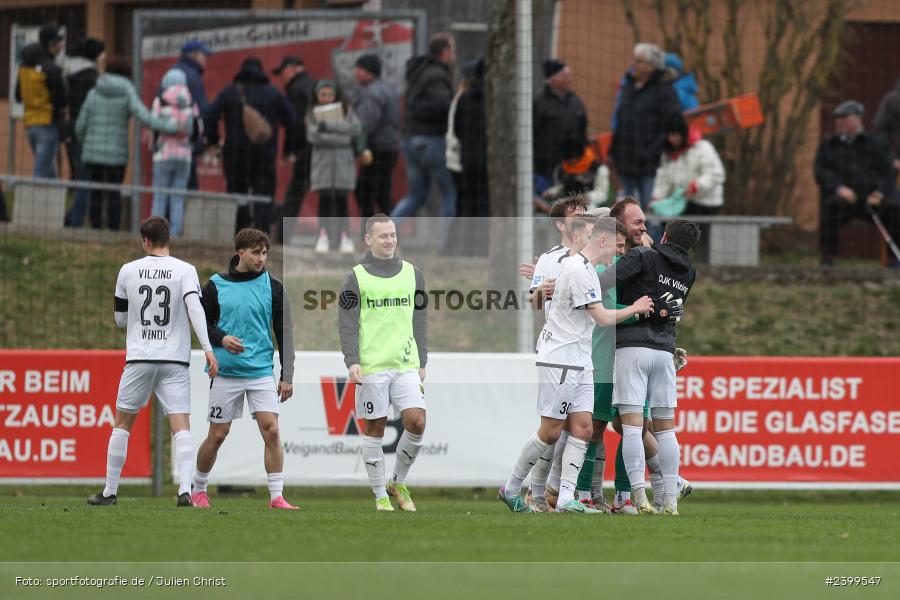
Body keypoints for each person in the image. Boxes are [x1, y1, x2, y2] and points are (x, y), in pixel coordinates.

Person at [499, 216, 654, 514]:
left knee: (583, 429)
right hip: (560, 358)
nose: (620, 253)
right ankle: (512, 487)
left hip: (581, 360)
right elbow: (602, 318)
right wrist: (636, 308)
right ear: (603, 240)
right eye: (617, 246)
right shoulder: (579, 270)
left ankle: (568, 498)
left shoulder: (585, 269)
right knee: (551, 430)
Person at [88, 216, 218, 507]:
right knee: (180, 425)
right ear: (168, 239)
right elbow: (195, 310)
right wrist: (208, 348)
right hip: (174, 361)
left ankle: (109, 492)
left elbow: (120, 320)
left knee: (122, 423)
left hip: (140, 358)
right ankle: (185, 491)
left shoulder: (128, 271)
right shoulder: (186, 270)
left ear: (145, 241)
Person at [597, 219, 699, 515]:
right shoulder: (689, 271)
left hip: (633, 347)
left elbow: (604, 282)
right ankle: (669, 500)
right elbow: (672, 307)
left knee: (632, 427)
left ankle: (637, 497)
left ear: (664, 235)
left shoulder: (644, 256)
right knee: (666, 430)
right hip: (665, 351)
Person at [192, 228, 298, 510]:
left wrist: (287, 375)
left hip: (261, 372)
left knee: (272, 431)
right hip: (226, 373)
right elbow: (203, 325)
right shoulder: (216, 285)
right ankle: (198, 489)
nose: (261, 258)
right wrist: (222, 339)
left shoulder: (274, 287)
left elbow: (284, 331)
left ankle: (276, 497)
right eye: (255, 253)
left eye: (264, 253)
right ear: (240, 253)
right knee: (218, 435)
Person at [338, 215, 428, 511]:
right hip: (372, 366)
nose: (389, 240)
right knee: (375, 428)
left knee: (416, 421)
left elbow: (420, 320)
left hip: (405, 364)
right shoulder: (355, 277)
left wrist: (422, 360)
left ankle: (397, 482)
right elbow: (347, 324)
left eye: (392, 235)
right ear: (368, 240)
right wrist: (352, 361)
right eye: (382, 236)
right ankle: (379, 495)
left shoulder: (414, 274)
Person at [76, 56, 180, 230]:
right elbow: (144, 115)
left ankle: (94, 229)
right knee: (114, 193)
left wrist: (84, 143)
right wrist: (171, 128)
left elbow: (80, 124)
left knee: (95, 193)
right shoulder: (127, 90)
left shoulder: (93, 92)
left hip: (92, 153)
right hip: (116, 155)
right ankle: (113, 231)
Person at [204, 57, 296, 234]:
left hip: (236, 156)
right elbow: (291, 121)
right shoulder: (273, 93)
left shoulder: (230, 92)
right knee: (263, 197)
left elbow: (210, 115)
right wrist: (288, 149)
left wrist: (214, 141)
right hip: (265, 155)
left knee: (239, 198)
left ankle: (242, 237)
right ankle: (262, 237)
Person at [814, 100, 900, 267]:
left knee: (894, 212)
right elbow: (821, 171)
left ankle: (893, 259)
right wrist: (839, 188)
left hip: (872, 200)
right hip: (845, 200)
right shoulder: (829, 145)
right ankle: (827, 257)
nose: (839, 122)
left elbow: (888, 171)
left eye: (844, 118)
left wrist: (880, 192)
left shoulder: (876, 143)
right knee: (830, 209)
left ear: (857, 119)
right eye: (837, 118)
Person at [391, 33, 457, 223]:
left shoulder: (418, 72)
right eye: (452, 50)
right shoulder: (437, 75)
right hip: (432, 140)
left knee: (416, 195)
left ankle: (383, 236)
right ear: (445, 52)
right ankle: (447, 246)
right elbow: (442, 106)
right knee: (450, 192)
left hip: (411, 139)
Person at [610, 43, 682, 213]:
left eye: (638, 61)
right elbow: (620, 120)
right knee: (628, 210)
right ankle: (632, 240)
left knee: (651, 209)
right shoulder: (628, 87)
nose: (633, 64)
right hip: (626, 159)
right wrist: (613, 151)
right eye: (633, 60)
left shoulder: (664, 90)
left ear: (652, 66)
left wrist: (658, 148)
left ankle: (652, 240)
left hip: (651, 162)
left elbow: (674, 123)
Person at [307, 80, 362, 254]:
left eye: (329, 95)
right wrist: (342, 138)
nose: (326, 99)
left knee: (341, 202)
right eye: (322, 95)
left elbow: (355, 129)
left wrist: (330, 127)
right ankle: (323, 236)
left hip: (342, 166)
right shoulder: (312, 113)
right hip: (323, 166)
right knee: (324, 202)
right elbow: (314, 136)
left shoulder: (347, 111)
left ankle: (344, 237)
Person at [150, 69, 199, 238]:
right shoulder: (192, 103)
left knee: (160, 194)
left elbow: (154, 127)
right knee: (178, 197)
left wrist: (155, 146)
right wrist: (190, 146)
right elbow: (198, 130)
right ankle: (176, 233)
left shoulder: (160, 101)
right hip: (184, 157)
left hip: (163, 155)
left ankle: (155, 233)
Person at [353, 54, 401, 219]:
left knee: (365, 192)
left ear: (369, 72)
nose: (355, 73)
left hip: (377, 148)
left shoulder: (371, 93)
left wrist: (356, 144)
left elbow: (365, 123)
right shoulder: (388, 88)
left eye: (359, 69)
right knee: (382, 191)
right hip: (390, 145)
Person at [273, 56, 315, 244]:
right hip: (320, 149)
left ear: (293, 69)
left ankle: (282, 237)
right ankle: (335, 239)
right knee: (330, 195)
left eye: (283, 72)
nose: (282, 77)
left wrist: (289, 150)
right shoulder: (313, 86)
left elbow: (294, 124)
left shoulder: (296, 90)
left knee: (294, 194)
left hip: (306, 149)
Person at [64, 37, 105, 227]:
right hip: (84, 134)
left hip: (71, 129)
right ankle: (75, 221)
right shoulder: (91, 78)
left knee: (80, 177)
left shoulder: (73, 74)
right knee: (85, 180)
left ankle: (72, 217)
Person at [16, 23, 66, 179]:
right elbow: (60, 101)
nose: (62, 45)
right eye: (60, 41)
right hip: (48, 125)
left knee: (47, 170)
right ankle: (31, 204)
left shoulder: (24, 66)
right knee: (41, 172)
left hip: (30, 125)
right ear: (51, 44)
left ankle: (56, 203)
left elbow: (18, 95)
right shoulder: (52, 69)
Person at [650, 115, 725, 217]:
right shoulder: (667, 153)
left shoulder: (703, 147)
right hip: (683, 202)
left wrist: (697, 186)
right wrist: (657, 196)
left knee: (696, 230)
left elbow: (716, 174)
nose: (672, 139)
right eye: (669, 135)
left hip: (706, 201)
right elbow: (664, 178)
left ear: (682, 134)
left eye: (675, 135)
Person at [451, 58, 488, 255]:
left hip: (468, 158)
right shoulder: (493, 99)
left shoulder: (464, 98)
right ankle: (482, 247)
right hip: (487, 161)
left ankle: (465, 248)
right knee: (484, 204)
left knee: (467, 203)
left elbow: (457, 129)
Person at [533, 59, 588, 182]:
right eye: (565, 76)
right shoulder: (539, 103)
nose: (570, 79)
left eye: (570, 75)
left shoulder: (575, 101)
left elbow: (583, 127)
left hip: (574, 164)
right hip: (546, 166)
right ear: (553, 79)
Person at [169, 39, 212, 190]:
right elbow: (202, 109)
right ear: (194, 55)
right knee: (188, 187)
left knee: (167, 189)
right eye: (204, 55)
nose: (206, 60)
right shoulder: (193, 77)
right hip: (187, 141)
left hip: (166, 143)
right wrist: (203, 139)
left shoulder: (171, 73)